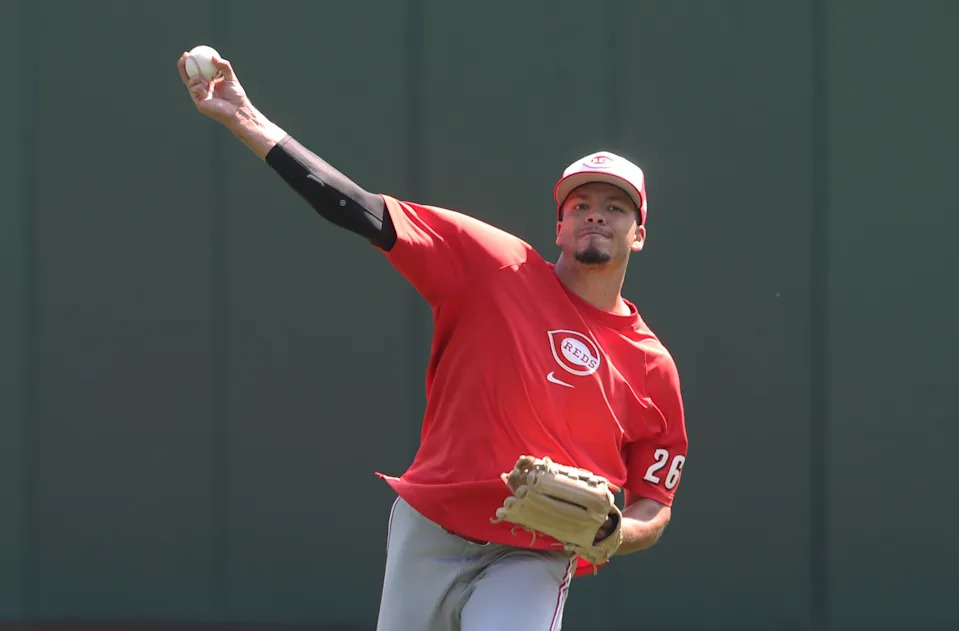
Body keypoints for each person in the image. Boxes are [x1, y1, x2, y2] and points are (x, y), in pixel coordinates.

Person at [178, 50, 688, 631]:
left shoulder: (651, 367)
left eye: (615, 207)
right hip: (432, 526)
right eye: (581, 205)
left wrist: (620, 533)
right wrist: (244, 117)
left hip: (536, 549)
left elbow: (655, 499)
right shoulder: (494, 264)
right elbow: (356, 208)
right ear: (560, 227)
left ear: (639, 233)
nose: (596, 215)